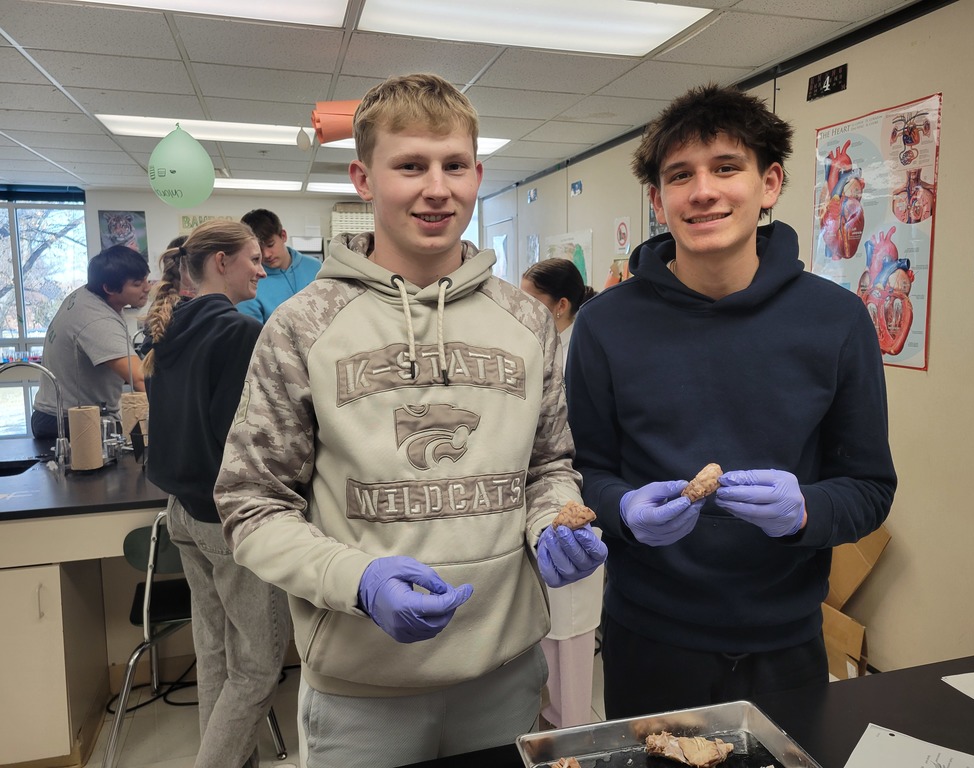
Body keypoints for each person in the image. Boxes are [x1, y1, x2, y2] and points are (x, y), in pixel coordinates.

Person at [214, 72, 606, 768]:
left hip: (505, 673)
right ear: (365, 178)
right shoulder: (302, 325)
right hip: (362, 689)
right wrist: (355, 581)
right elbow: (250, 504)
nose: (436, 187)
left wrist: (554, 517)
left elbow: (550, 466)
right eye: (410, 166)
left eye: (454, 165)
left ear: (477, 173)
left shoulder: (525, 322)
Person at [565, 84, 897, 720]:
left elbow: (870, 487)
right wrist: (625, 511)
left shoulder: (837, 320)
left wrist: (806, 511)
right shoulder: (605, 325)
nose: (704, 191)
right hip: (649, 640)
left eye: (726, 168)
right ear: (659, 201)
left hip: (787, 643)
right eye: (680, 176)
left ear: (769, 184)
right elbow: (585, 474)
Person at [142, 220, 290, 768]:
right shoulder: (237, 334)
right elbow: (245, 439)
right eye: (253, 258)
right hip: (227, 520)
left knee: (216, 659)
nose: (262, 267)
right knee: (255, 670)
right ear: (221, 262)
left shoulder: (169, 328)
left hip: (182, 513)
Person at [520, 258, 601, 728]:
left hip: (578, 500)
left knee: (569, 631)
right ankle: (552, 718)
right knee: (547, 630)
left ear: (560, 306)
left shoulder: (575, 353)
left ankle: (568, 731)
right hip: (546, 508)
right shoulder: (541, 347)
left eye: (531, 300)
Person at [31, 244, 150, 438]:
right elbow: (139, 378)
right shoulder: (98, 319)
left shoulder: (86, 294)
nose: (147, 288)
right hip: (69, 421)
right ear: (109, 288)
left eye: (146, 279)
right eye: (137, 284)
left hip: (57, 414)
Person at [235, 208, 321, 322]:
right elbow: (253, 335)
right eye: (259, 249)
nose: (266, 255)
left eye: (270, 244)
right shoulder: (249, 284)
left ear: (283, 236)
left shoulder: (317, 268)